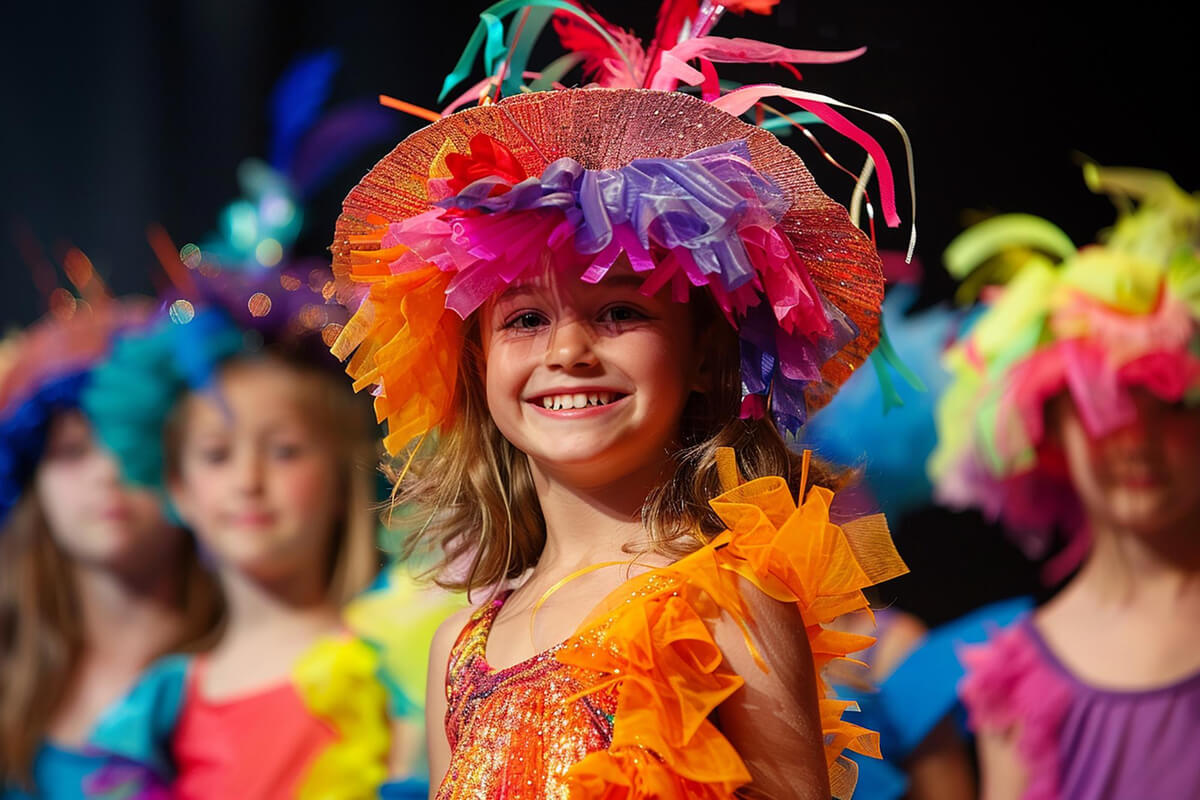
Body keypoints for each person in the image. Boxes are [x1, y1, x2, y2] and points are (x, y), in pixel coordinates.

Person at [326, 4, 918, 797]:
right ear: (476, 366)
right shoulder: (458, 649)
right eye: (526, 319)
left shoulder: (729, 604)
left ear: (705, 356)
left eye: (620, 311)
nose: (568, 351)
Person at [930, 165, 1200, 799]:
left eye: (1168, 404)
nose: (1135, 437)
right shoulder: (1021, 674)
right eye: (1101, 405)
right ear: (1050, 429)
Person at [80, 270, 403, 799]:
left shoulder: (395, 666)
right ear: (178, 485)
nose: (248, 482)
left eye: (285, 451)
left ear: (344, 473)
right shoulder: (161, 707)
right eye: (216, 455)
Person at [0, 297, 222, 799]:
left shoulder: (244, 665)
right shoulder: (10, 672)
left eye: (130, 448)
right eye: (73, 451)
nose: (106, 474)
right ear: (33, 482)